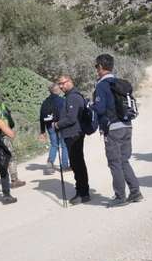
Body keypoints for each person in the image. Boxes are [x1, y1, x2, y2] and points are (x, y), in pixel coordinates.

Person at [92, 53, 143, 207]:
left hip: (113, 129)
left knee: (114, 162)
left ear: (101, 67)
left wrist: (90, 106)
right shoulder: (119, 83)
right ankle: (135, 192)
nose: (96, 69)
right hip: (127, 125)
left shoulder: (101, 85)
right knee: (124, 160)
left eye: (96, 66)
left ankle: (120, 196)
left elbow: (100, 109)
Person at [54, 75, 91, 204]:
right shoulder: (70, 96)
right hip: (72, 134)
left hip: (74, 134)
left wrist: (57, 125)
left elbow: (71, 118)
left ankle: (83, 193)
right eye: (59, 84)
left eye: (62, 83)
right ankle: (82, 191)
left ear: (70, 82)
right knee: (77, 163)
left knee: (77, 164)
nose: (60, 86)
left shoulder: (73, 97)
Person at [38, 83, 69, 175]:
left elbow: (41, 117)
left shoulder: (45, 102)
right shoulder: (62, 100)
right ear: (56, 90)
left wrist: (42, 131)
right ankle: (64, 166)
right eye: (59, 88)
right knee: (64, 145)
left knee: (54, 145)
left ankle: (50, 162)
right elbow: (65, 114)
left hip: (49, 126)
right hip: (60, 125)